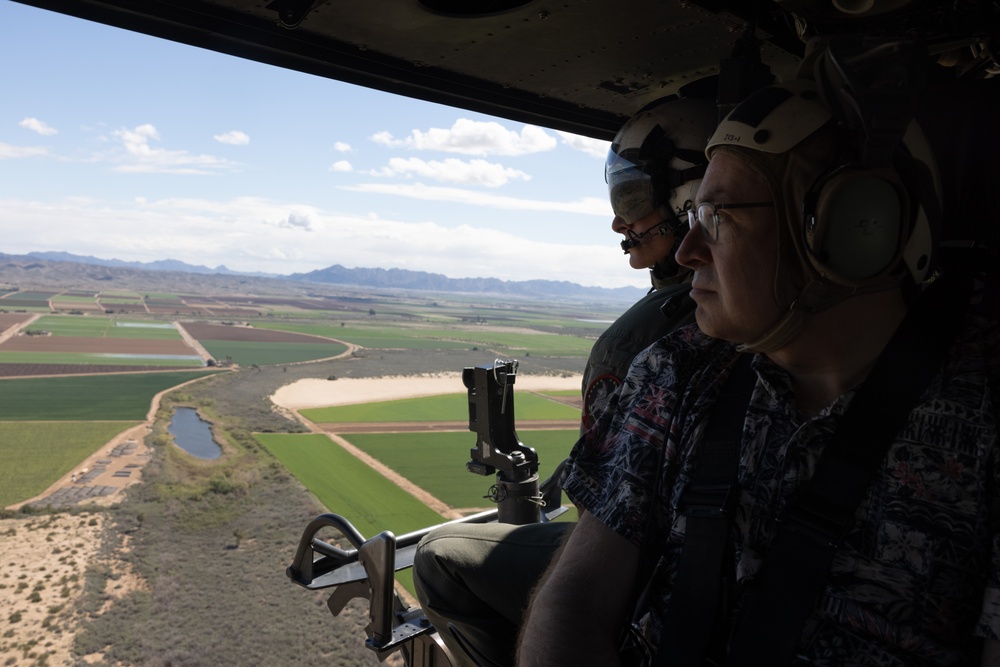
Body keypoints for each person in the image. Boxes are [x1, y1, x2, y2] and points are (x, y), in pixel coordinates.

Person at [517, 76, 1000, 666]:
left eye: (717, 216)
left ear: (854, 230)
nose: (689, 247)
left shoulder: (981, 407)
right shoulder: (678, 369)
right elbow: (575, 600)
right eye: (692, 213)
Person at [411, 95, 718, 667]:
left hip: (645, 578)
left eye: (632, 197)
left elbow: (601, 530)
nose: (619, 221)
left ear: (690, 197)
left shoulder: (641, 343)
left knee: (438, 555)